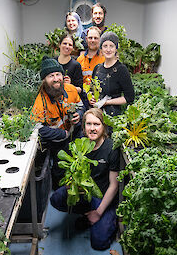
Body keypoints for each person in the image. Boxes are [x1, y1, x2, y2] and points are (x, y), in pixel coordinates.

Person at [50, 108, 120, 250]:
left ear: (103, 126)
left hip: (104, 197)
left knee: (99, 243)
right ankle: (87, 214)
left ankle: (107, 217)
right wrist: (71, 183)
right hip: (85, 192)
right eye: (89, 124)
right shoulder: (79, 144)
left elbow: (114, 185)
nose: (92, 128)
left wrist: (99, 212)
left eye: (97, 124)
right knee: (56, 198)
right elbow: (69, 170)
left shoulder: (111, 148)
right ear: (83, 127)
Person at [31, 56, 85, 188]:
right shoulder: (40, 102)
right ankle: (59, 191)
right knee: (59, 170)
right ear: (44, 80)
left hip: (75, 134)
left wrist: (79, 114)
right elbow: (38, 129)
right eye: (51, 76)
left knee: (80, 165)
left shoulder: (71, 89)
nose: (56, 78)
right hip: (57, 142)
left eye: (58, 74)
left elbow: (81, 105)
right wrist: (62, 135)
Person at [90, 31, 135, 116]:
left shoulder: (121, 69)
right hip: (97, 113)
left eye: (111, 46)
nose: (108, 49)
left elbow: (129, 97)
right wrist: (91, 98)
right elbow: (92, 90)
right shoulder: (97, 68)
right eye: (105, 46)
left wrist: (106, 102)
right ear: (101, 49)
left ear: (116, 49)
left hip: (113, 114)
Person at [55, 33, 90, 109]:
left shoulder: (76, 65)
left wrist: (69, 86)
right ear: (59, 45)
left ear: (73, 48)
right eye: (64, 43)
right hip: (54, 101)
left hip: (71, 103)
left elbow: (80, 89)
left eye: (70, 45)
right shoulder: (53, 63)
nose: (67, 46)